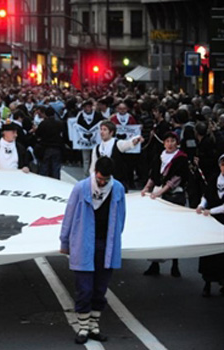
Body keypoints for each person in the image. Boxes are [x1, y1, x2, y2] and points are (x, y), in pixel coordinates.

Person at [60, 157, 126, 345]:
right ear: (94, 172)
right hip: (83, 243)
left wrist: (115, 241)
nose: (102, 182)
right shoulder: (81, 188)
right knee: (84, 288)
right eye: (99, 178)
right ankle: (82, 327)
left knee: (100, 288)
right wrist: (65, 242)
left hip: (106, 244)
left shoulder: (118, 189)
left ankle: (93, 325)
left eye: (106, 179)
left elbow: (121, 219)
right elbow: (69, 216)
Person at [141, 131, 189, 277]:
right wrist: (146, 188)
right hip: (158, 194)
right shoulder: (159, 156)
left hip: (173, 196)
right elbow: (153, 175)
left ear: (177, 143)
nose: (169, 144)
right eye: (167, 141)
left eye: (172, 141)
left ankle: (175, 264)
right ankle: (154, 264)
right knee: (157, 230)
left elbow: (175, 180)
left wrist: (159, 193)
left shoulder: (181, 158)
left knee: (174, 230)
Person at [195, 154, 224, 297]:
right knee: (209, 252)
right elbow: (206, 195)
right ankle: (207, 283)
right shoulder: (214, 179)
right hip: (211, 221)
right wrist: (201, 205)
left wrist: (211, 211)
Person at [89, 121, 143, 190]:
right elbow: (93, 167)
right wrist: (93, 181)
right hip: (103, 184)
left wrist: (136, 139)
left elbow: (127, 144)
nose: (101, 132)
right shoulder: (97, 148)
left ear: (111, 132)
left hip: (117, 183)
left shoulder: (117, 144)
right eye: (101, 129)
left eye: (105, 130)